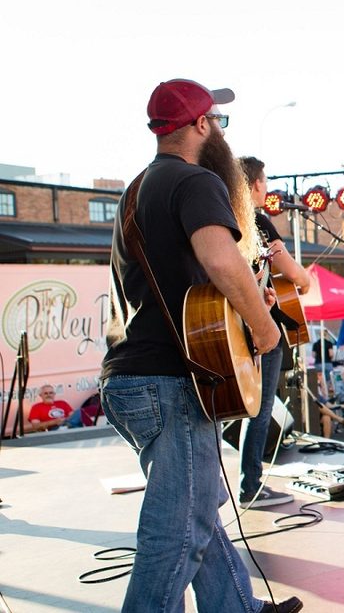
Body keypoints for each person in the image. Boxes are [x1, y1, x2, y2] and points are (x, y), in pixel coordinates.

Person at [100, 79, 301, 612]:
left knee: (198, 509)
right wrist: (263, 327)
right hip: (168, 382)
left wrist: (242, 299)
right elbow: (219, 259)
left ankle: (238, 607)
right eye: (219, 121)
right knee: (177, 533)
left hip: (131, 379)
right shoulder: (195, 180)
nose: (222, 133)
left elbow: (185, 289)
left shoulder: (138, 189)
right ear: (200, 125)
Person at [237, 155, 311, 510]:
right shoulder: (257, 222)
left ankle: (240, 483)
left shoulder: (226, 219)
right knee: (260, 408)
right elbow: (292, 272)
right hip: (262, 328)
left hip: (234, 327)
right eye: (264, 181)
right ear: (255, 184)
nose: (266, 188)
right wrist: (305, 281)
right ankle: (251, 485)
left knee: (243, 406)